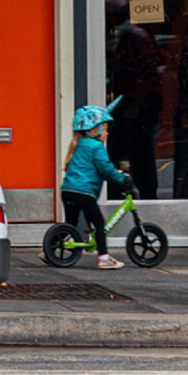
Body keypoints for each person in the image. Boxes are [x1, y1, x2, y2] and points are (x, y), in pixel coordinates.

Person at [102, 0, 163, 198]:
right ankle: (126, 192)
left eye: (110, 13)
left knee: (137, 152)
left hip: (138, 105)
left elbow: (146, 74)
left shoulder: (134, 36)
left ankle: (145, 196)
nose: (107, 18)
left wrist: (133, 105)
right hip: (130, 103)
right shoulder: (122, 34)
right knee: (130, 151)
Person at [61, 102, 134, 270]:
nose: (107, 133)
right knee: (99, 223)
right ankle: (104, 257)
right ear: (95, 130)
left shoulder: (79, 144)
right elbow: (106, 169)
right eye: (105, 129)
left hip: (68, 190)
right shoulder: (96, 147)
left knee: (70, 225)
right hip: (84, 192)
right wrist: (122, 178)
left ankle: (50, 249)